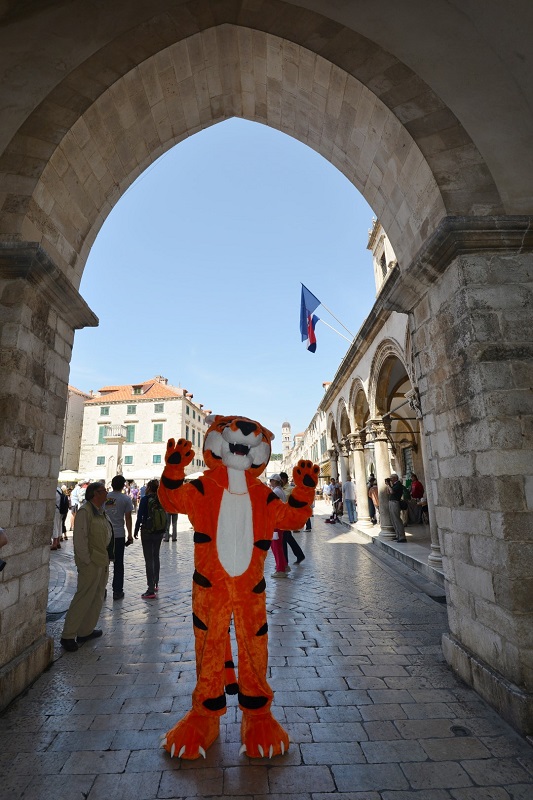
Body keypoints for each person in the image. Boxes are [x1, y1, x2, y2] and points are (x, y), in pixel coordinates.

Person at [60, 482, 114, 652]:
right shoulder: (85, 511)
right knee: (83, 597)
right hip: (91, 562)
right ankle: (68, 635)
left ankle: (85, 631)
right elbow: (80, 539)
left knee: (97, 597)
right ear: (95, 494)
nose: (106, 494)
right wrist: (87, 560)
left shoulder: (100, 511)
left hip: (102, 560)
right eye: (103, 491)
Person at [134, 478, 166, 598]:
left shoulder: (145, 499)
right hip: (159, 532)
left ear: (148, 488)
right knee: (156, 556)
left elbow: (140, 516)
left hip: (147, 531)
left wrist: (136, 530)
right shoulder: (161, 499)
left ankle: (150, 589)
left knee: (149, 559)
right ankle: (156, 582)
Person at [104, 474, 134, 600]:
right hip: (119, 534)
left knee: (103, 563)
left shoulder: (104, 497)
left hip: (105, 534)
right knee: (118, 563)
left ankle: (102, 589)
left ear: (111, 485)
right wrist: (130, 534)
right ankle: (117, 591)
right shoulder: (126, 499)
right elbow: (128, 518)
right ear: (123, 485)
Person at [280, 472, 305, 565]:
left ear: (284, 479)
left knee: (284, 538)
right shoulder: (280, 489)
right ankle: (299, 555)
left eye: (280, 479)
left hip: (287, 516)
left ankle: (284, 561)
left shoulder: (291, 489)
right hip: (281, 516)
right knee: (288, 537)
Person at [269, 474, 289, 577]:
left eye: (271, 480)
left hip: (276, 522)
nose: (270, 482)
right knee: (278, 545)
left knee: (276, 546)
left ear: (274, 481)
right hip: (280, 521)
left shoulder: (276, 492)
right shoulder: (280, 491)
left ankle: (280, 569)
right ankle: (283, 565)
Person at [386, 473, 406, 542]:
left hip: (395, 502)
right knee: (393, 520)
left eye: (391, 478)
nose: (390, 479)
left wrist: (388, 485)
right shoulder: (394, 485)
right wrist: (388, 485)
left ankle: (402, 537)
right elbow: (388, 492)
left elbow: (392, 492)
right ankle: (398, 535)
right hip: (392, 502)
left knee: (397, 519)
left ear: (395, 478)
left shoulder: (398, 484)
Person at [51, 486, 64, 550]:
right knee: (59, 526)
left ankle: (54, 543)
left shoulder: (53, 490)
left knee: (55, 526)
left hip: (56, 510)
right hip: (61, 510)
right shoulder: (59, 489)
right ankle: (58, 542)